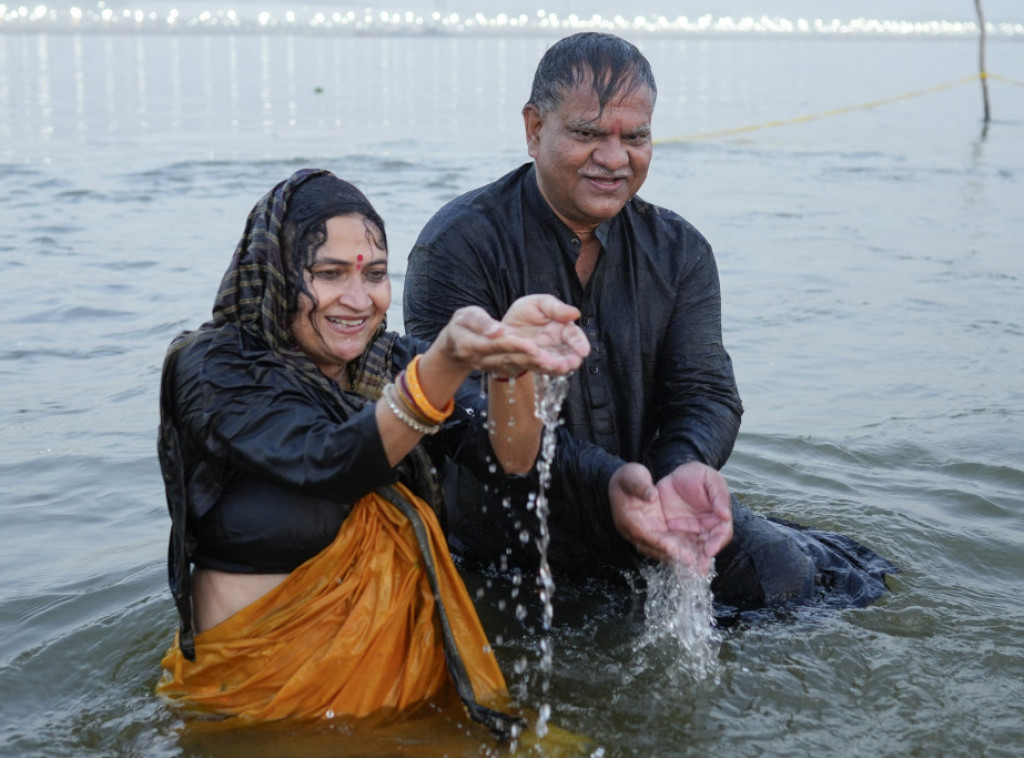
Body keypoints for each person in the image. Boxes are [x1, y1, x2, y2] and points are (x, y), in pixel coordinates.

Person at [404, 32, 896, 617]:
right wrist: (606, 483)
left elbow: (706, 393)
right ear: (534, 129)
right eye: (588, 134)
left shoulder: (680, 250)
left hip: (651, 503)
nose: (615, 159)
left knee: (793, 578)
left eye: (635, 137)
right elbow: (457, 417)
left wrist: (683, 469)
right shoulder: (457, 244)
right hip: (511, 532)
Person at [154, 168, 593, 734]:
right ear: (275, 273)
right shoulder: (215, 366)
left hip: (404, 700)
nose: (359, 300)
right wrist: (445, 364)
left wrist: (514, 362)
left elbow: (510, 459)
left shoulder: (390, 364)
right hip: (253, 717)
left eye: (376, 274)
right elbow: (329, 461)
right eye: (329, 273)